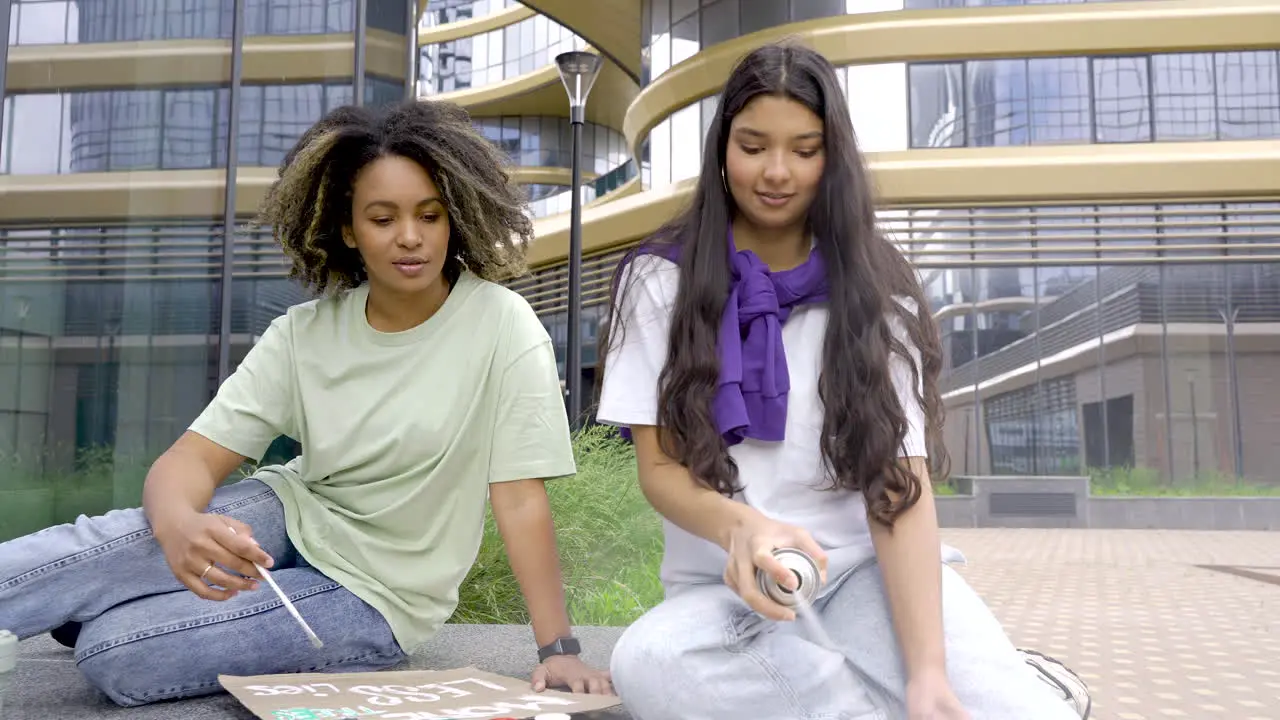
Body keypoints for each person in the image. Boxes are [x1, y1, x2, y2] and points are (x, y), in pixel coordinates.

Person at [0, 99, 612, 707]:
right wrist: (178, 525)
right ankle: (105, 591)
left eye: (430, 215)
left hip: (378, 593)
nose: (410, 237)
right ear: (347, 228)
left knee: (116, 653)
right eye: (383, 218)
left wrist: (557, 648)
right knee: (97, 547)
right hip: (289, 515)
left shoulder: (502, 325)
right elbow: (189, 461)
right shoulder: (303, 334)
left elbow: (520, 496)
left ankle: (106, 606)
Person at [594, 42, 1082, 720]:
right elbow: (660, 468)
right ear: (721, 149)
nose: (776, 171)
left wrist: (929, 673)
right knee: (650, 663)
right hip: (724, 591)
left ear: (833, 156)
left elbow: (898, 487)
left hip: (862, 577)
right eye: (753, 145)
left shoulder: (877, 291)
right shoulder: (661, 279)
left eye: (804, 149)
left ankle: (1008, 687)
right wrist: (743, 530)